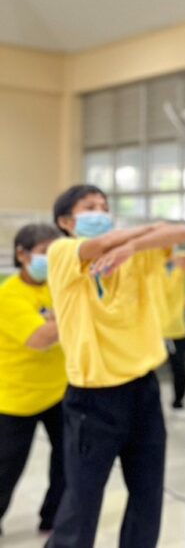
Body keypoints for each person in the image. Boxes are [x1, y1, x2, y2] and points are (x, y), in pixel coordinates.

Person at [46, 184, 185, 548]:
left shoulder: (135, 255)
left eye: (104, 206)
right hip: (92, 399)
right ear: (66, 221)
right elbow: (99, 244)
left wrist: (132, 247)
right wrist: (137, 237)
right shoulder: (62, 252)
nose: (101, 212)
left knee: (148, 494)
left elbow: (181, 231)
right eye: (90, 207)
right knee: (81, 503)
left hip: (143, 390)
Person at [0, 224, 65, 536]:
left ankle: (53, 518)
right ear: (22, 254)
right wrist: (63, 319)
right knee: (6, 468)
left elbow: (54, 329)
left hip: (60, 391)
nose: (50, 260)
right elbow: (39, 338)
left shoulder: (57, 286)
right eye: (44, 253)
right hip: (16, 397)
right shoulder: (8, 295)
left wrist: (55, 321)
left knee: (67, 462)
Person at [160, 250, 185, 415]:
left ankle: (178, 402)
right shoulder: (152, 271)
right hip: (154, 330)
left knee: (179, 367)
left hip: (176, 329)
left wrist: (178, 258)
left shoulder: (179, 269)